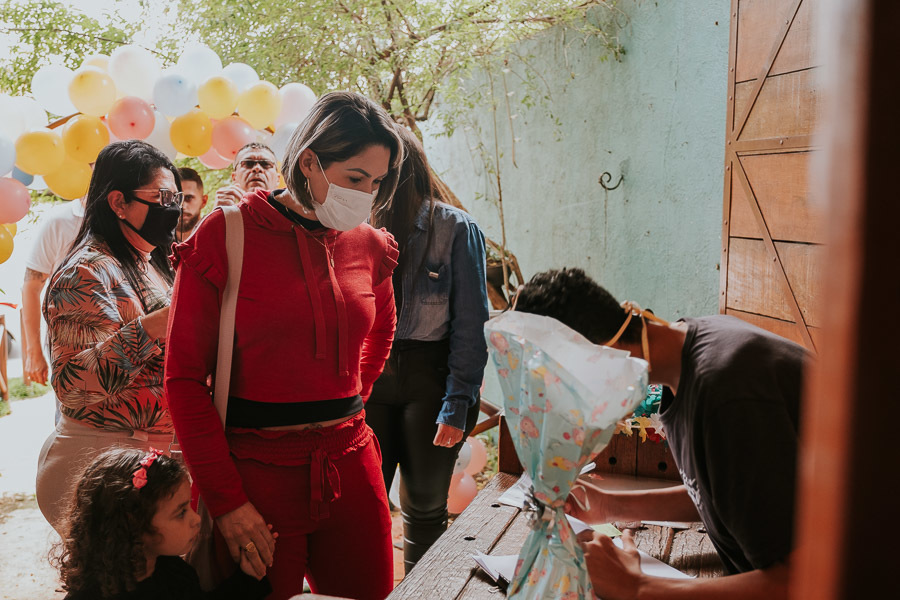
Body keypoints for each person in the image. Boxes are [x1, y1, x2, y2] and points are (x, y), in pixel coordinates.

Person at [165, 91, 404, 600]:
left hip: (351, 467)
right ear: (309, 162)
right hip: (255, 479)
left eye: (377, 182)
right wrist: (227, 501)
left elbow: (383, 329)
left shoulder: (369, 243)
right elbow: (183, 378)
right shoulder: (225, 234)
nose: (366, 195)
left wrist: (348, 394)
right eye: (355, 178)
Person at [513, 267, 805, 600]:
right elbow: (731, 496)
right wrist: (608, 505)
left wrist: (636, 587)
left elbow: (800, 583)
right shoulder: (688, 352)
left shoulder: (728, 395)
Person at [36, 140, 182, 533]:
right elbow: (75, 386)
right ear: (119, 202)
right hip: (105, 462)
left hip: (146, 458)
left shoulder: (149, 262)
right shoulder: (85, 271)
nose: (172, 208)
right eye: (162, 197)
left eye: (176, 198)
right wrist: (152, 327)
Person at [366, 126, 489, 572]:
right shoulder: (356, 225)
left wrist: (457, 404)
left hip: (432, 379)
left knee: (423, 504)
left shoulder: (455, 227)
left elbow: (472, 327)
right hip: (370, 378)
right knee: (364, 504)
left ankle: (423, 589)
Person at [55, 447, 271, 599]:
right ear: (135, 522)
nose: (196, 520)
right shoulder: (91, 594)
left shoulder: (174, 572)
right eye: (180, 513)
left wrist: (248, 578)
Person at [21, 195, 86, 386]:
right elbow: (31, 287)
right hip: (67, 346)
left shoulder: (127, 216)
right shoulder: (59, 221)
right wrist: (33, 351)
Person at [213, 143, 280, 207]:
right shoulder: (223, 211)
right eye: (248, 163)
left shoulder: (286, 212)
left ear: (278, 179)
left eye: (266, 164)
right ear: (234, 177)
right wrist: (218, 213)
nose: (257, 168)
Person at [177, 167, 208, 242]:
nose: (182, 206)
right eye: (176, 199)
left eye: (188, 198)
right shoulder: (156, 242)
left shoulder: (216, 238)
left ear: (203, 201)